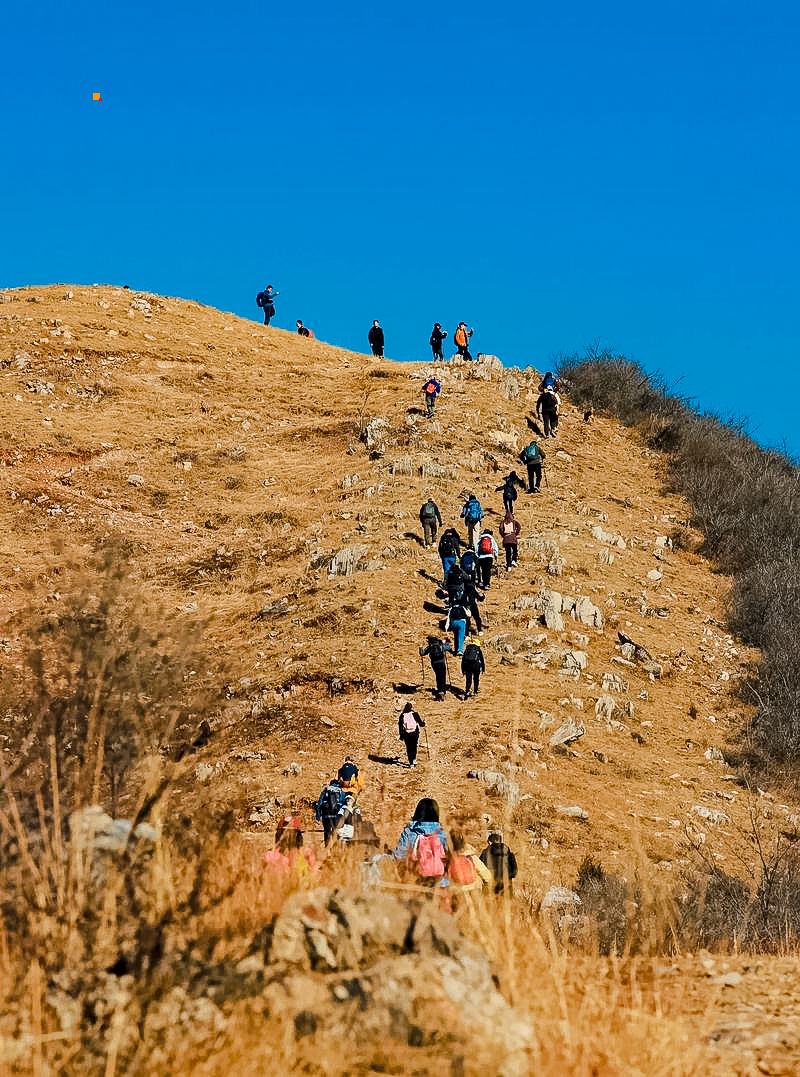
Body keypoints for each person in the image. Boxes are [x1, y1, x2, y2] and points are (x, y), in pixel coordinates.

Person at [391, 797, 449, 886]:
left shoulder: (410, 831)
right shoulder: (442, 833)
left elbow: (399, 856)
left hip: (414, 881)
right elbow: (448, 856)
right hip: (440, 882)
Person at [448, 829, 492, 895]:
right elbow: (483, 871)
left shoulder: (447, 855)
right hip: (472, 888)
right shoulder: (470, 855)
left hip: (456, 891)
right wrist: (487, 881)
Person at [419, 636, 454, 700]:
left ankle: (439, 691)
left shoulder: (430, 646)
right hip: (441, 662)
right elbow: (450, 649)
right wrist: (454, 652)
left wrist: (420, 649)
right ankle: (442, 691)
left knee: (438, 676)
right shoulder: (441, 644)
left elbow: (423, 653)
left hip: (434, 663)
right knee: (443, 676)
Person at [314, 779, 346, 845]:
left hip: (326, 815)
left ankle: (327, 846)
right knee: (336, 832)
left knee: (327, 832)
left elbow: (319, 804)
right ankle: (336, 848)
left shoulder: (325, 790)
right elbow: (344, 804)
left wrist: (318, 816)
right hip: (336, 815)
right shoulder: (341, 791)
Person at [398, 702, 426, 766]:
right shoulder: (415, 714)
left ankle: (411, 762)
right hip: (414, 733)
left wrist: (401, 735)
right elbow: (420, 723)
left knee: (409, 747)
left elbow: (400, 726)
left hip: (406, 734)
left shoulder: (402, 715)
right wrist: (423, 723)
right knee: (414, 746)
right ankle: (414, 759)